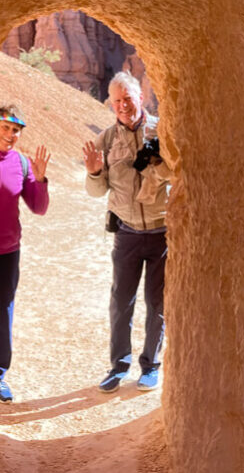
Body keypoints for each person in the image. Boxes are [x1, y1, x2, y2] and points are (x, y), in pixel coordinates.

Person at [82, 71, 171, 393]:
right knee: (121, 300)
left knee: (157, 302)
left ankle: (151, 365)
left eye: (128, 99)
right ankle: (118, 366)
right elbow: (96, 191)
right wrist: (94, 172)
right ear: (111, 104)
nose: (123, 105)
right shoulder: (105, 140)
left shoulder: (164, 129)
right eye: (117, 101)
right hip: (128, 233)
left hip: (163, 232)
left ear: (141, 97)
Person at [0, 104, 51, 403]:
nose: (10, 134)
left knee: (2, 314)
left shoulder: (21, 163)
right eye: (5, 127)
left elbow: (39, 208)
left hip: (7, 251)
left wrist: (41, 180)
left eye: (16, 130)